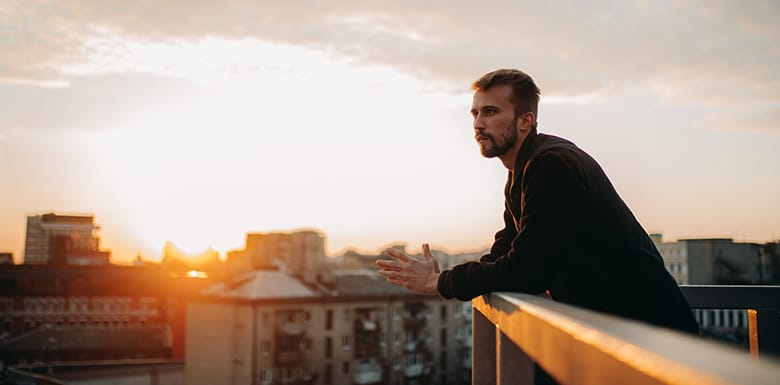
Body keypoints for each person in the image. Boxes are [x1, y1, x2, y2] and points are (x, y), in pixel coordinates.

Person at [376, 68, 699, 384]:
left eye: (490, 112)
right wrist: (448, 276)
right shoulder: (523, 170)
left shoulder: (551, 164)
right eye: (474, 113)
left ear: (526, 120)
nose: (478, 123)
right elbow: (506, 249)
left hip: (650, 339)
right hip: (619, 333)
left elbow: (528, 269)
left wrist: (441, 282)